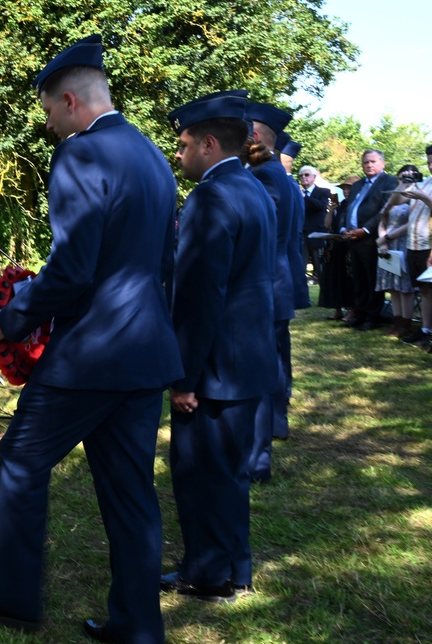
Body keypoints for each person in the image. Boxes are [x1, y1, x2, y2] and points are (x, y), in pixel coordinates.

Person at [0, 34, 182, 644]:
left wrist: (12, 315)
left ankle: (16, 597)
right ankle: (139, 631)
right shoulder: (152, 156)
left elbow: (74, 268)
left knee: (21, 457)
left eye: (51, 112)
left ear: (71, 99)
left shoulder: (80, 157)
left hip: (92, 354)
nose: (50, 125)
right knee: (131, 490)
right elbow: (163, 261)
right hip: (144, 352)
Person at [160, 90, 277, 604]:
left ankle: (207, 575)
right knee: (231, 472)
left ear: (209, 144)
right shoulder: (254, 188)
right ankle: (236, 567)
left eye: (184, 145)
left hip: (214, 368)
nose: (179, 156)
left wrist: (184, 378)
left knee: (200, 473)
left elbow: (201, 297)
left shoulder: (210, 196)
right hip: (248, 360)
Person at [245, 101, 303, 476]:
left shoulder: (266, 174)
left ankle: (259, 452)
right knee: (276, 358)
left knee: (263, 367)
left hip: (265, 284)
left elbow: (258, 234)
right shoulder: (276, 173)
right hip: (276, 283)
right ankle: (275, 423)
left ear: (254, 134)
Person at [338, 150, 399, 330]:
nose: (369, 165)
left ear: (383, 163)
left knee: (372, 280)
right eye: (366, 162)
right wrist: (343, 228)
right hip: (353, 239)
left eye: (373, 161)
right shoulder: (357, 185)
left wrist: (364, 230)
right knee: (358, 279)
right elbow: (347, 208)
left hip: (372, 239)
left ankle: (373, 317)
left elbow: (384, 210)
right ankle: (360, 313)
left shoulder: (389, 182)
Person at [399, 142, 432, 352]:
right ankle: (425, 330)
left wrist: (425, 198)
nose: (431, 166)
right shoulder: (425, 182)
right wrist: (404, 183)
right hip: (414, 243)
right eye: (428, 162)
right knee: (424, 291)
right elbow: (398, 201)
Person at [375, 165, 421, 338]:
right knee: (392, 287)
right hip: (387, 244)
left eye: (411, 176)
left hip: (404, 243)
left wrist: (387, 238)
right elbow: (383, 218)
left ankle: (406, 324)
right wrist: (383, 241)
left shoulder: (417, 196)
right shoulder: (394, 195)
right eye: (403, 177)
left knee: (405, 287)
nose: (407, 179)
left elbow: (411, 224)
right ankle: (396, 321)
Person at [318, 175, 360, 321]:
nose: (346, 191)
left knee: (349, 279)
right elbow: (326, 224)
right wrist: (330, 211)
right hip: (336, 245)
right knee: (334, 277)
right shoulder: (341, 205)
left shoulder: (358, 205)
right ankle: (337, 309)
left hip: (350, 245)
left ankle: (352, 310)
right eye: (345, 189)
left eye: (349, 188)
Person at [300, 165, 332, 282]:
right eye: (301, 175)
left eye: (306, 175)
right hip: (302, 236)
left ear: (314, 177)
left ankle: (324, 299)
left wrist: (305, 197)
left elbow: (320, 206)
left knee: (320, 270)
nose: (303, 177)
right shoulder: (299, 193)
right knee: (300, 270)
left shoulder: (323, 191)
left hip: (317, 235)